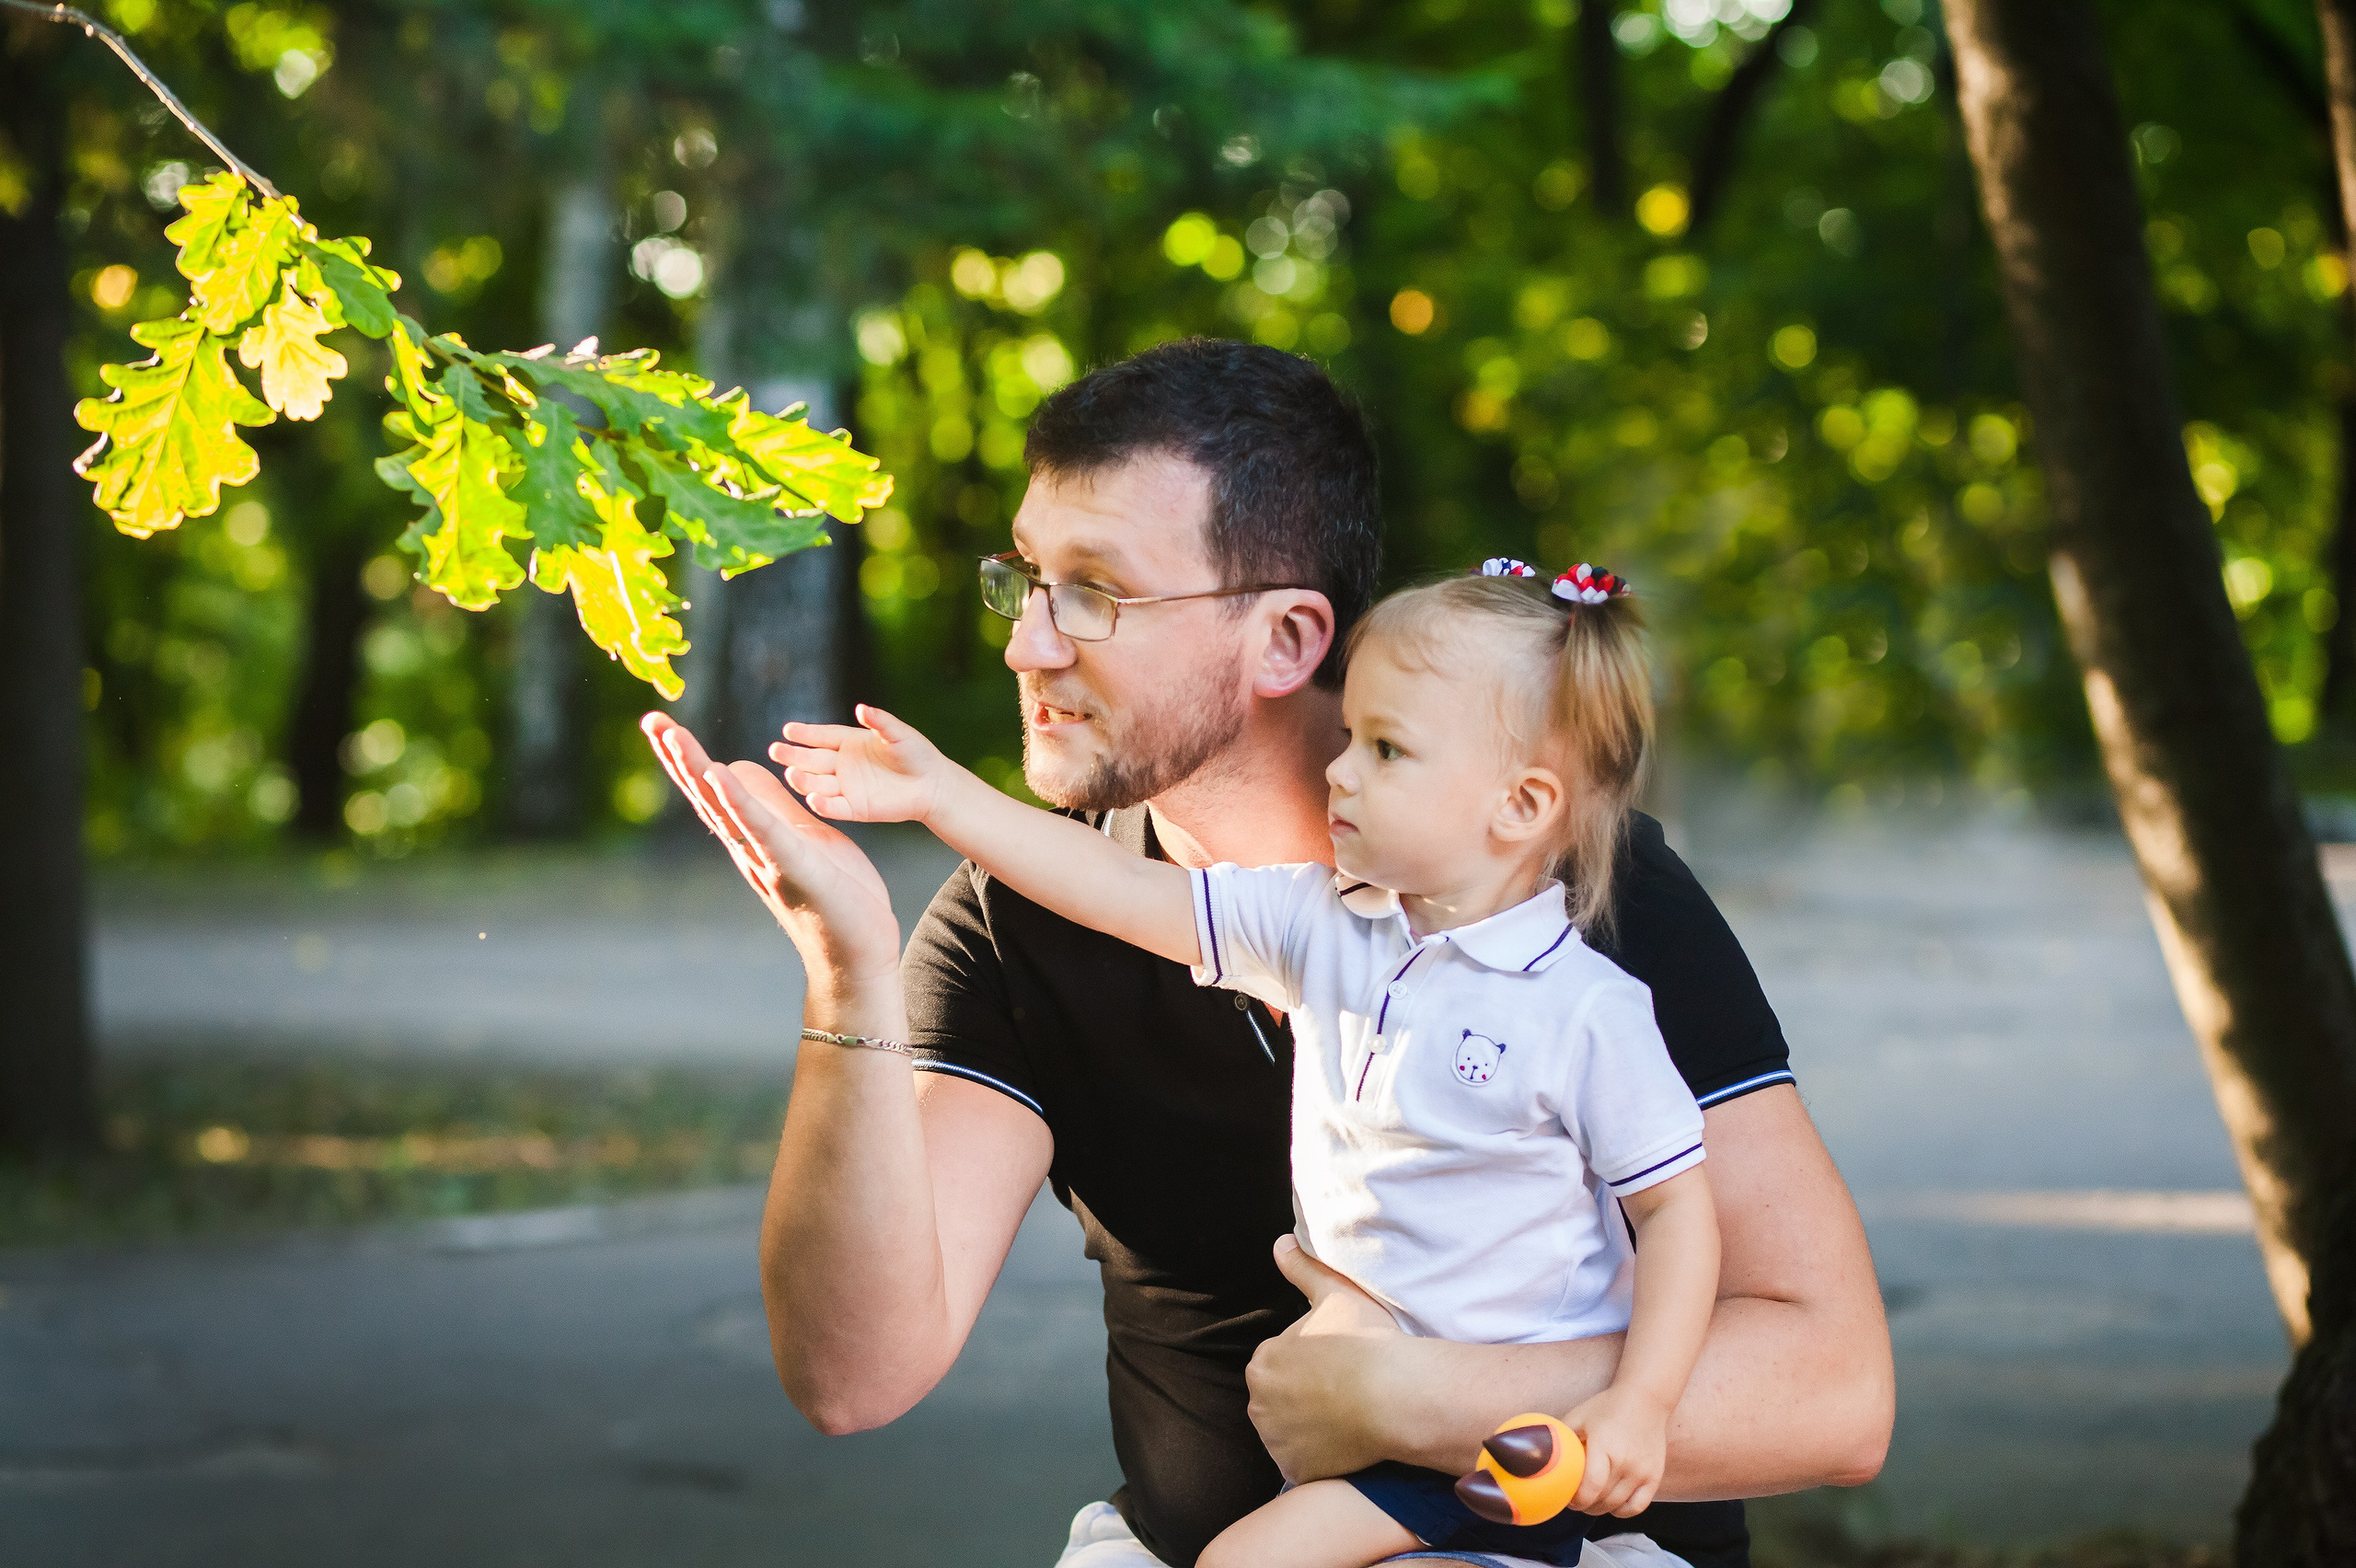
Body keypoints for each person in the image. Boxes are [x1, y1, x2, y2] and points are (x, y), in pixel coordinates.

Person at [643, 339, 1893, 1568]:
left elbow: (1832, 1394)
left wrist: (1412, 1402)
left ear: (1290, 641)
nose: (1028, 644)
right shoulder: (1013, 922)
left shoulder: (1569, 887)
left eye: (1095, 592)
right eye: (1026, 579)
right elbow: (856, 1375)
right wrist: (847, 973)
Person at [771, 558, 1718, 1568]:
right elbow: (1111, 882)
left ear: (1521, 807)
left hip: (1475, 1443)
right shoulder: (1327, 925)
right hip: (1363, 1428)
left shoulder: (1587, 1010)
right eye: (1350, 734)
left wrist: (1639, 1405)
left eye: (1387, 750)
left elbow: (1676, 1213)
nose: (1340, 770)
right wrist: (938, 796)